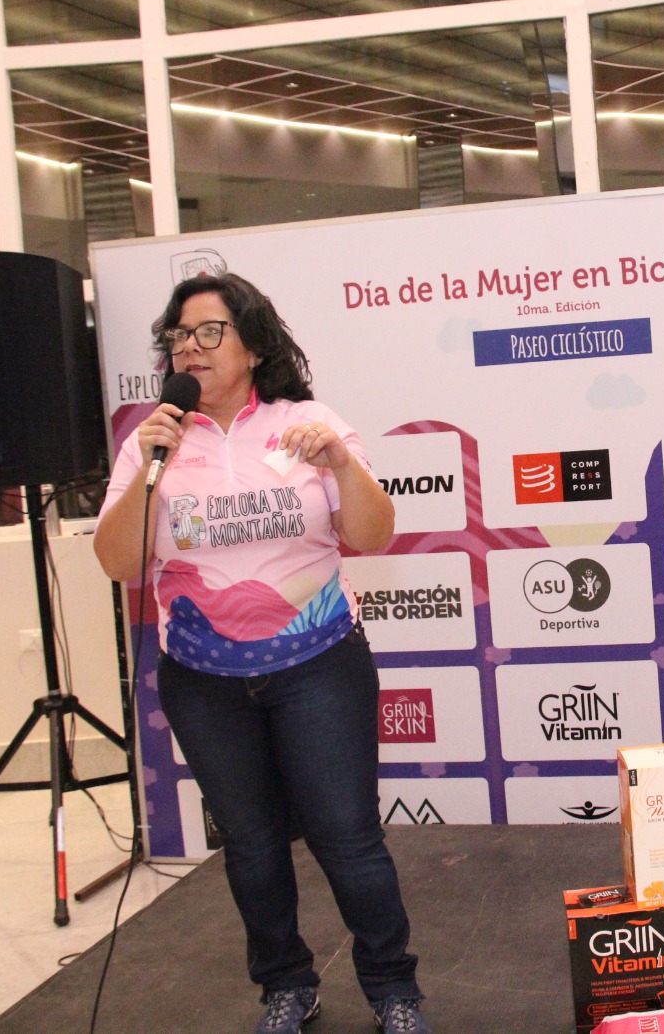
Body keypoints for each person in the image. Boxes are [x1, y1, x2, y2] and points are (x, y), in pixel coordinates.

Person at [94, 272, 430, 1034]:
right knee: (250, 847)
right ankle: (286, 986)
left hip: (318, 668)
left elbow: (375, 535)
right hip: (203, 680)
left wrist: (342, 466)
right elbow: (118, 565)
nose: (191, 347)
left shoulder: (306, 422)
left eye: (209, 331)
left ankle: (394, 992)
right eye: (179, 336)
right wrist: (147, 473)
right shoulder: (154, 443)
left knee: (347, 838)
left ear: (252, 344)